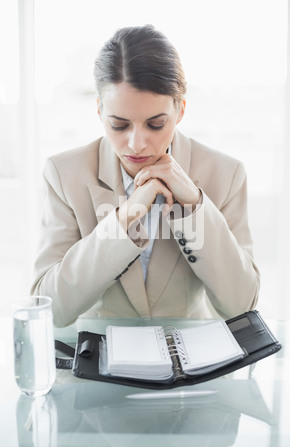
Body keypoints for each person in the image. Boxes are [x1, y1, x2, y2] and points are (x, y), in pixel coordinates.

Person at [31, 24, 260, 328]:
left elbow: (241, 305)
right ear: (99, 110)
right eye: (119, 125)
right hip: (97, 361)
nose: (137, 144)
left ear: (180, 111)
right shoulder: (63, 173)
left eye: (155, 124)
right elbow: (50, 310)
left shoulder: (226, 173)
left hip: (190, 363)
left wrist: (193, 206)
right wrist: (123, 220)